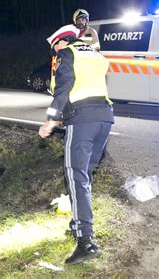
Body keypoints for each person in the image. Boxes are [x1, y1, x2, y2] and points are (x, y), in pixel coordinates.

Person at [39, 24, 114, 264]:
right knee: (86, 175)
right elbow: (88, 86)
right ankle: (77, 223)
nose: (54, 55)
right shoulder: (95, 54)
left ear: (60, 42)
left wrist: (50, 121)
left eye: (54, 49)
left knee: (75, 175)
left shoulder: (67, 53)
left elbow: (63, 91)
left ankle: (86, 241)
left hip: (83, 121)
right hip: (105, 117)